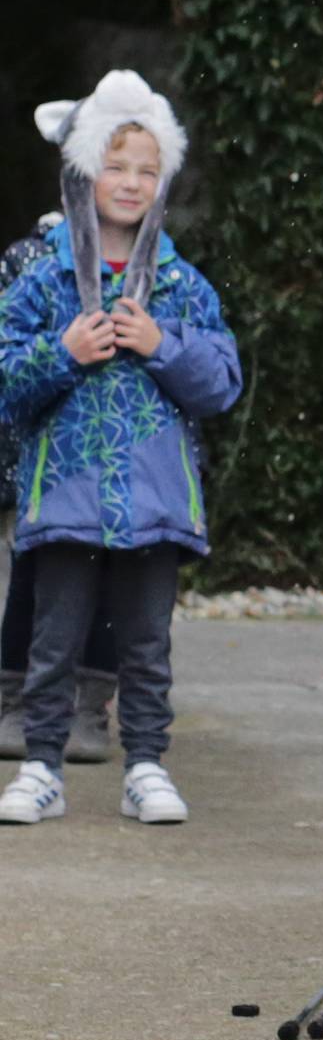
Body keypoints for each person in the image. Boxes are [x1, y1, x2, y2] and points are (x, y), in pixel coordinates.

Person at [0, 71, 240, 827]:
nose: (130, 183)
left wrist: (162, 344)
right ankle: (40, 765)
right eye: (114, 164)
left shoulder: (181, 286)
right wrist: (64, 350)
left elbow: (223, 383)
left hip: (156, 498)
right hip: (63, 492)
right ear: (82, 170)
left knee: (146, 642)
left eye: (146, 169)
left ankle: (146, 764)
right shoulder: (43, 281)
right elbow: (5, 375)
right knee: (53, 639)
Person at [0, 213, 121, 766]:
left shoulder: (153, 267)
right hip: (43, 451)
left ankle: (90, 703)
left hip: (123, 456)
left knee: (116, 575)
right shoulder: (30, 263)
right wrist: (62, 353)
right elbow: (11, 363)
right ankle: (15, 699)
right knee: (33, 575)